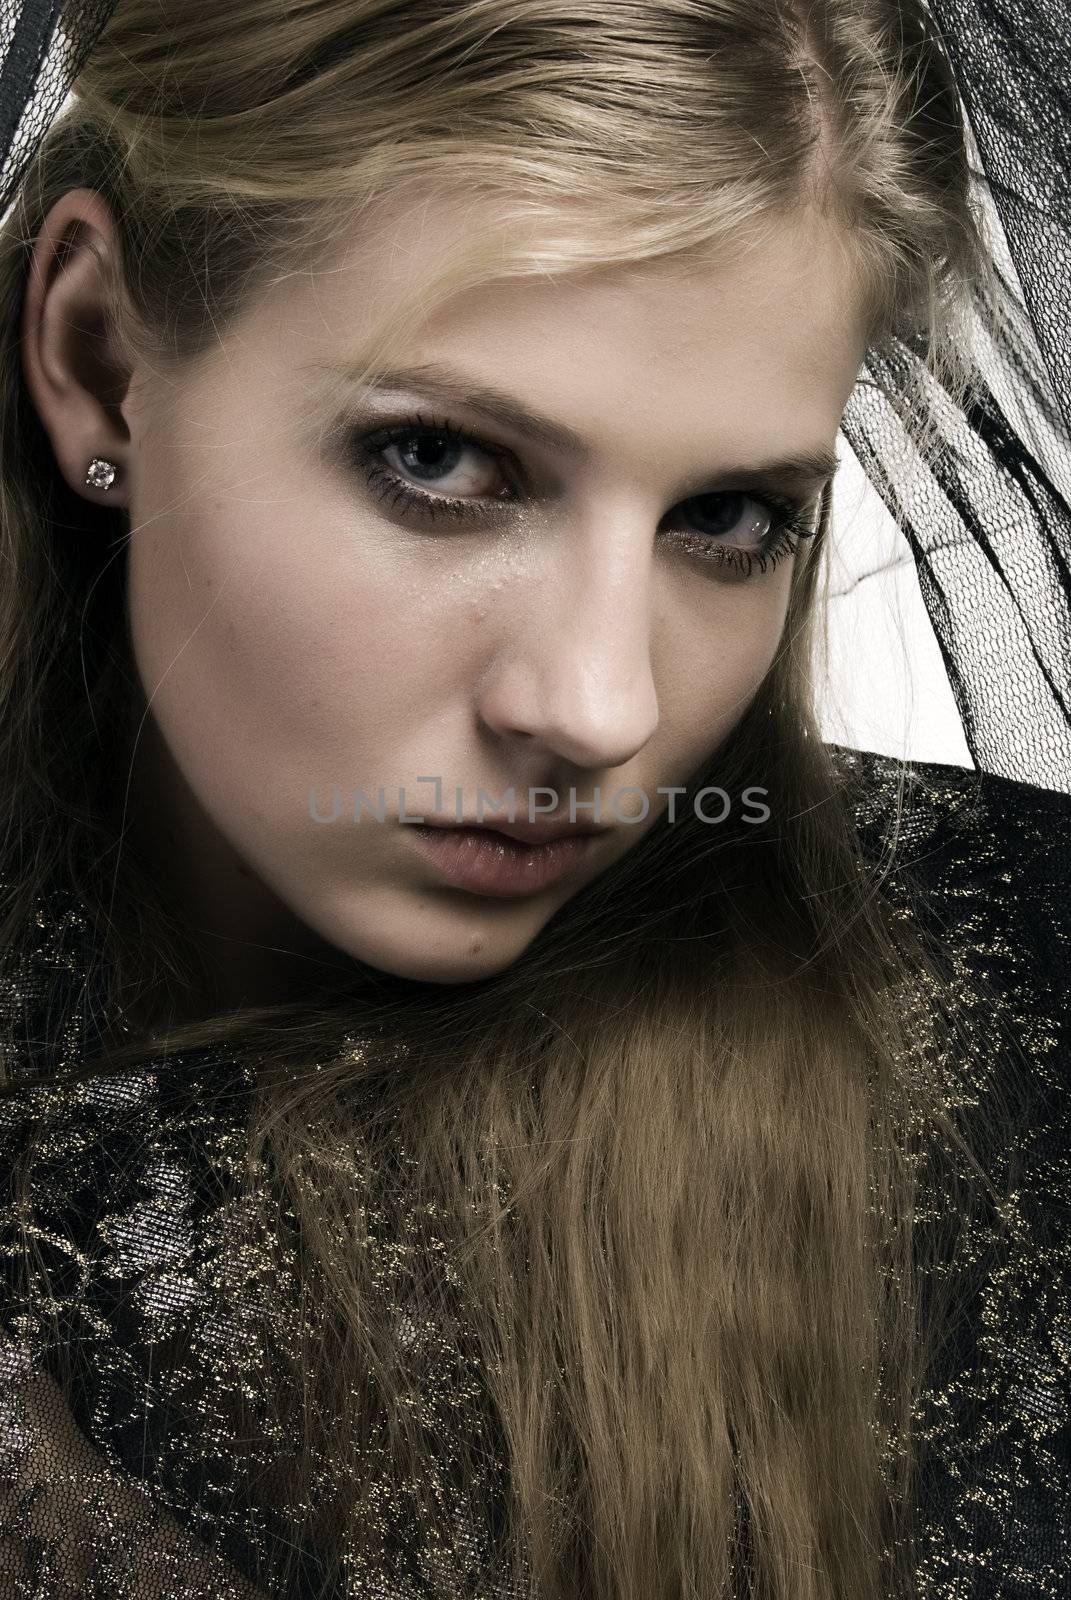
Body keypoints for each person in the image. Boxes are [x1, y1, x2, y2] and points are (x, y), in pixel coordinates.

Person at [0, 2, 1067, 1597]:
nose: (599, 707)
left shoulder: (1022, 993)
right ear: (98, 359)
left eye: (727, 517)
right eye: (439, 461)